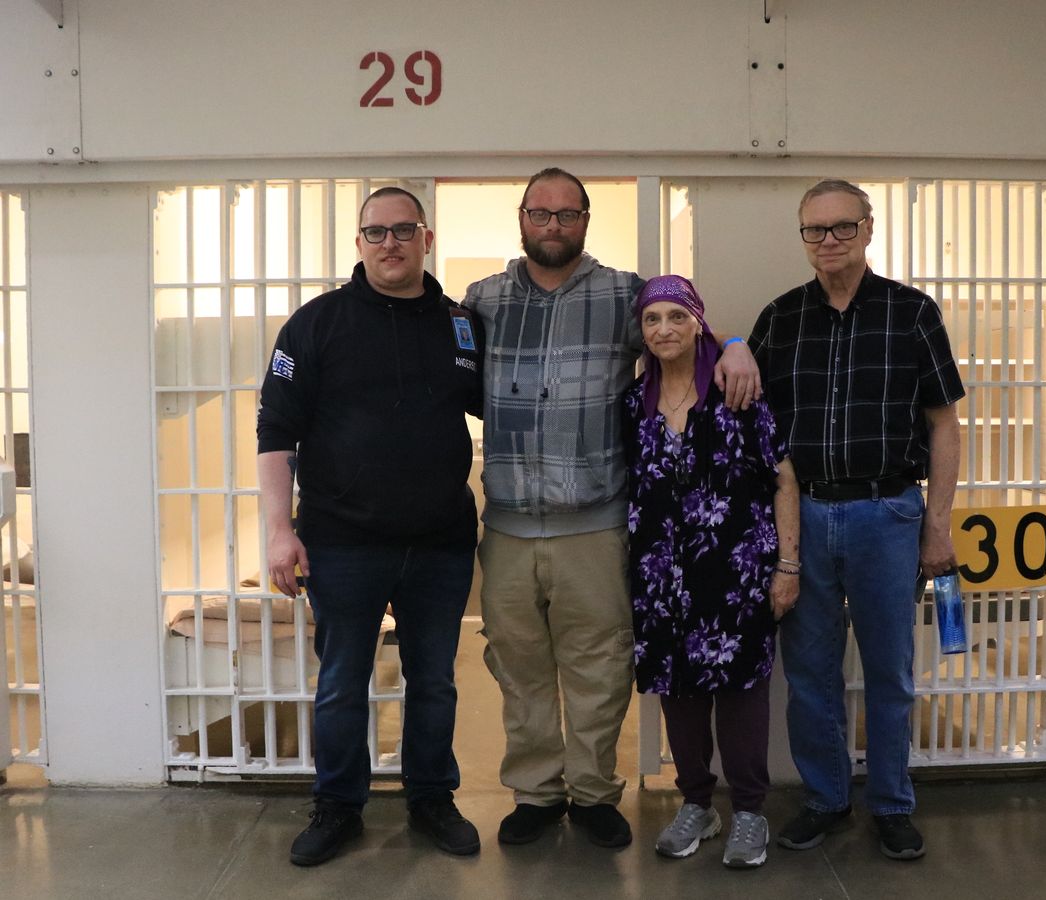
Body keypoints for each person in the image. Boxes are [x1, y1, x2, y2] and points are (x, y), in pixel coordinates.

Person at [463, 168, 761, 849]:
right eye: (541, 213)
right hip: (507, 524)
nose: (553, 226)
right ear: (522, 217)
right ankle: (537, 793)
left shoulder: (624, 295)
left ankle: (594, 793)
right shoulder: (482, 301)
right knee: (518, 665)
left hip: (594, 523)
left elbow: (682, 330)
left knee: (598, 666)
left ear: (585, 220)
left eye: (567, 214)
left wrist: (736, 344)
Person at [258, 187, 484, 865]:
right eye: (377, 232)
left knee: (434, 681)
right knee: (341, 683)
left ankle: (431, 798)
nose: (391, 243)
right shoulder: (315, 324)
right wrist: (279, 530)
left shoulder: (460, 325)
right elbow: (276, 432)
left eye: (404, 230)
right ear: (359, 243)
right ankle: (338, 806)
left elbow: (503, 405)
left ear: (426, 239)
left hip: (440, 543)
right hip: (342, 542)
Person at [749, 179, 964, 861]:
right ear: (803, 237)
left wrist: (937, 524)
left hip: (888, 513)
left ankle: (893, 804)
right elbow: (751, 418)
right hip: (803, 517)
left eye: (843, 226)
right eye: (815, 230)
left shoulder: (912, 313)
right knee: (809, 673)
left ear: (868, 230)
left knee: (889, 672)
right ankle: (826, 798)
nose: (829, 240)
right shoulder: (780, 319)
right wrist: (727, 344)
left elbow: (944, 424)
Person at [624, 275, 800, 869]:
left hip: (738, 572)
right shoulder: (634, 403)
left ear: (699, 322)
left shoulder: (735, 390)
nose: (664, 329)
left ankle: (749, 811)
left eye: (677, 316)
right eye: (652, 319)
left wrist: (787, 565)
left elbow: (783, 480)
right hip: (661, 578)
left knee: (742, 692)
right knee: (678, 694)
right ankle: (697, 803)